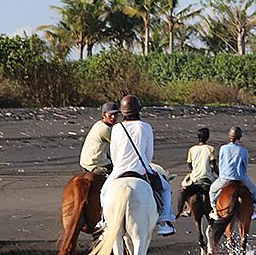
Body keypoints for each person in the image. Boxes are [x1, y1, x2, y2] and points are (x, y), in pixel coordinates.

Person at [98, 95, 176, 236]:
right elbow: (148, 154)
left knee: (103, 192)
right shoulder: (146, 127)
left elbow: (114, 155)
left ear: (122, 112)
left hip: (119, 170)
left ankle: (104, 221)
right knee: (165, 189)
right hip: (141, 169)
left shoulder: (116, 128)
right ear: (139, 110)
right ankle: (164, 222)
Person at [209, 126, 256, 220]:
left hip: (225, 177)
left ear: (229, 136)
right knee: (253, 191)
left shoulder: (223, 148)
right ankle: (252, 211)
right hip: (241, 177)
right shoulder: (244, 150)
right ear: (239, 137)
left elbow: (221, 162)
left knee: (212, 190)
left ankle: (214, 211)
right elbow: (245, 165)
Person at [176, 127, 218, 216]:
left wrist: (194, 171)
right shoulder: (210, 148)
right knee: (220, 189)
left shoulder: (192, 149)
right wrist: (219, 174)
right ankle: (216, 208)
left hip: (195, 177)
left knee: (183, 187)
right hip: (208, 177)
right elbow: (213, 165)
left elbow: (189, 164)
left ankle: (186, 209)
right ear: (208, 137)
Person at [79, 102, 120, 174]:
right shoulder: (105, 129)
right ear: (103, 114)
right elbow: (119, 145)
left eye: (115, 114)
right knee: (118, 174)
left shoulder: (99, 124)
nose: (113, 117)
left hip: (86, 162)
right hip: (95, 164)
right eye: (111, 114)